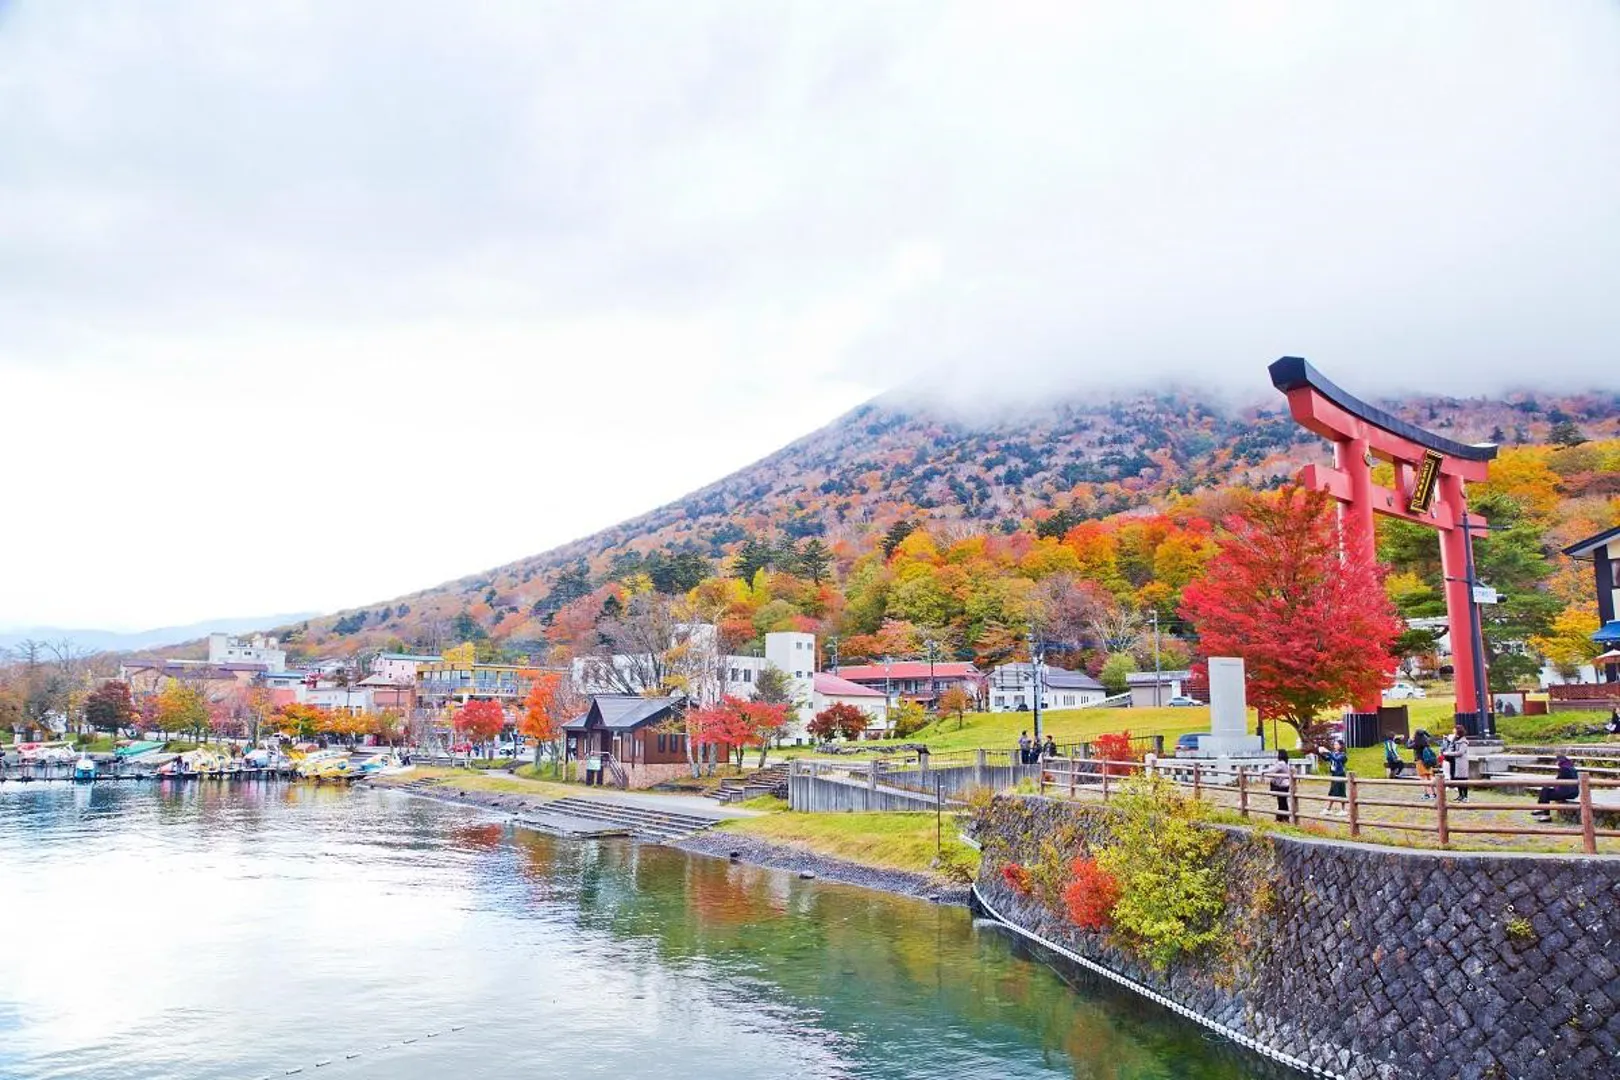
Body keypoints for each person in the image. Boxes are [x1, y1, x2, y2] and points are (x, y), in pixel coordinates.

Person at [1531, 756, 1580, 821]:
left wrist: (1551, 785)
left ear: (1559, 761)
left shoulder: (1563, 769)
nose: (1556, 763)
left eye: (1556, 761)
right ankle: (1541, 809)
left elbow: (1558, 781)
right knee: (1545, 790)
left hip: (1567, 792)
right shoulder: (1572, 768)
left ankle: (1545, 813)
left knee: (1545, 792)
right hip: (1573, 792)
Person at [1317, 739, 1349, 816]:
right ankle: (1329, 809)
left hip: (1340, 774)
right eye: (1334, 744)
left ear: (1340, 746)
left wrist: (1328, 752)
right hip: (1334, 774)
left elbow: (1337, 759)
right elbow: (1327, 759)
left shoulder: (1343, 755)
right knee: (1332, 791)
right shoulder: (1334, 753)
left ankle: (1342, 810)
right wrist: (1321, 753)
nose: (1334, 746)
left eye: (1336, 744)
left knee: (1341, 792)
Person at [1441, 723, 1470, 802]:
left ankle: (1465, 796)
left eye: (1455, 729)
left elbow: (1460, 752)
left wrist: (1448, 753)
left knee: (1463, 779)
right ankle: (1460, 795)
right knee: (1457, 779)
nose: (1453, 731)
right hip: (1454, 762)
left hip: (1461, 763)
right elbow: (1451, 747)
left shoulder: (1463, 741)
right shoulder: (1455, 739)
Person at [1264, 750, 1293, 822]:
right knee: (1282, 801)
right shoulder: (1285, 763)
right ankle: (1281, 817)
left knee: (1282, 801)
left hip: (1282, 785)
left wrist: (1263, 771)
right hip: (1286, 784)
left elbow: (1272, 770)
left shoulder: (1281, 763)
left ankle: (1284, 817)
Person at [1412, 731, 1436, 798]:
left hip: (1420, 762)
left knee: (1424, 778)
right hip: (1428, 762)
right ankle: (1433, 793)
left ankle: (1427, 794)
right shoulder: (1426, 742)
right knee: (1429, 778)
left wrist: (1410, 739)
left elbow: (1408, 745)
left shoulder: (1416, 743)